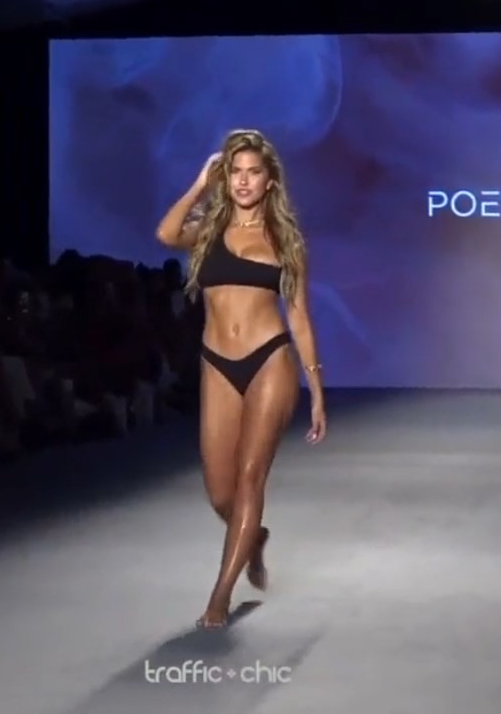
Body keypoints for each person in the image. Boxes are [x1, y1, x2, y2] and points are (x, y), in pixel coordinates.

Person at [155, 129, 327, 629]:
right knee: (220, 492)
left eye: (254, 172)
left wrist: (317, 391)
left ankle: (220, 598)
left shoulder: (284, 241)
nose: (244, 181)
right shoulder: (207, 231)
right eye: (235, 172)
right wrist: (199, 185)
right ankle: (253, 536)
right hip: (217, 363)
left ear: (270, 181)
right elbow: (166, 233)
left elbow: (300, 318)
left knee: (251, 478)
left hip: (269, 360)